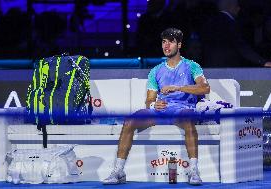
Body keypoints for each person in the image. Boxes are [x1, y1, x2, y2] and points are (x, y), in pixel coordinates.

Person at [103, 28, 210, 185]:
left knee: (188, 119)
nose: (166, 46)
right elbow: (149, 100)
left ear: (179, 44)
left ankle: (194, 171)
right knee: (129, 122)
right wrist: (154, 104)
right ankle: (118, 171)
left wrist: (178, 88)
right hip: (159, 111)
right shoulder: (155, 71)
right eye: (164, 42)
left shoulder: (192, 66)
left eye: (171, 42)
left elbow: (204, 88)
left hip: (182, 109)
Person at [201, 0, 271, 68]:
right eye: (237, 6)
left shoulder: (209, 22)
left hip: (210, 67)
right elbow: (241, 46)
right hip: (228, 68)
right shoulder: (230, 24)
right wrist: (262, 61)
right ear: (230, 7)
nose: (239, 8)